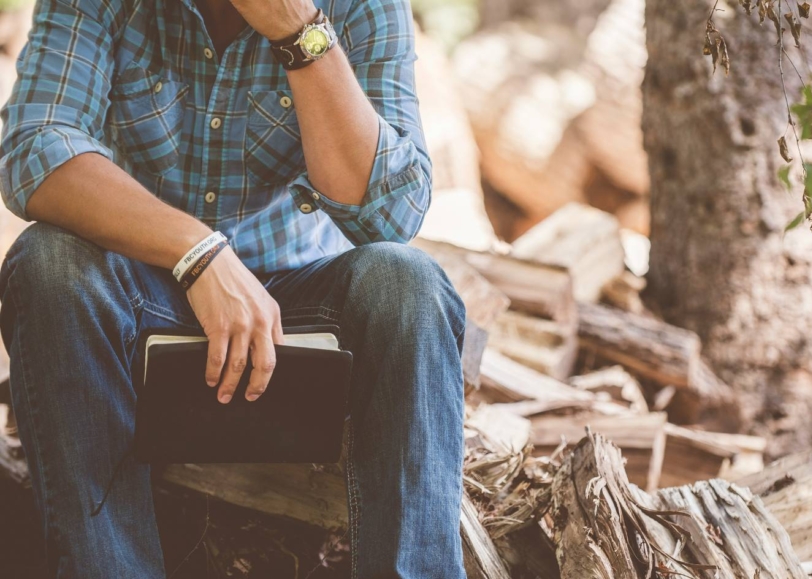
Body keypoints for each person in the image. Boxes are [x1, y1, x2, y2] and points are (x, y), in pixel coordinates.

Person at [0, 0, 467, 577]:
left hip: (299, 314)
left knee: (410, 286)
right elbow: (35, 149)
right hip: (139, 302)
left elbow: (391, 215)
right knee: (48, 261)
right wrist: (197, 254)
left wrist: (300, 33)